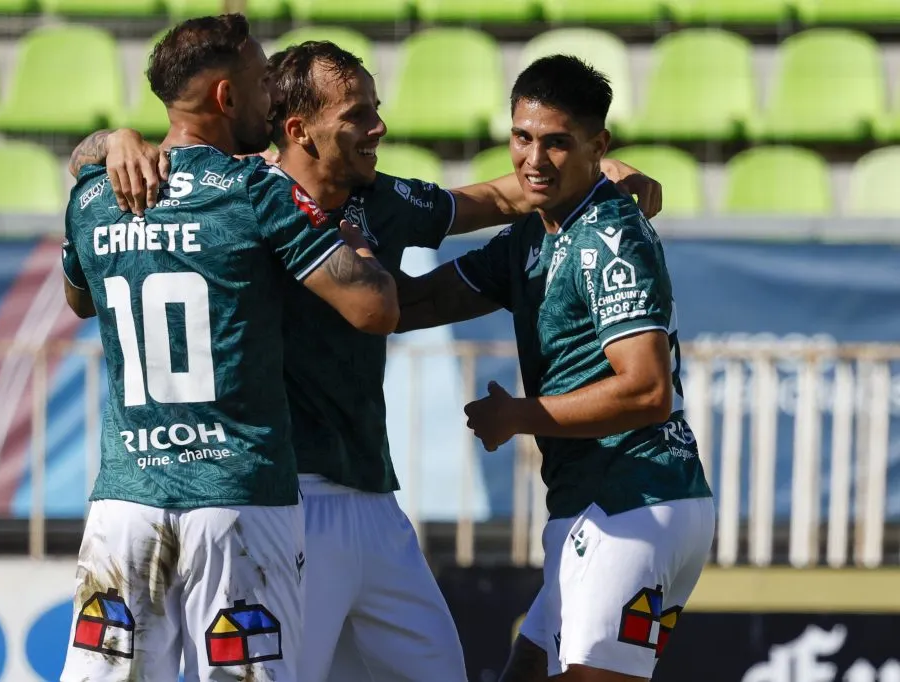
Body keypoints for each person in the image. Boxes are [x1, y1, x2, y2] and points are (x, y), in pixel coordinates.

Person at [67, 41, 664, 682]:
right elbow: (125, 162)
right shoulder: (249, 194)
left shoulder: (379, 198)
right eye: (357, 113)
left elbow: (501, 198)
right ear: (300, 129)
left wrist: (594, 169)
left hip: (374, 500)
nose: (378, 127)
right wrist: (116, 140)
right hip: (287, 500)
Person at [59, 16, 398, 682]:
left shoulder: (95, 196)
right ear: (225, 96)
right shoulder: (257, 191)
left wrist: (110, 143)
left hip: (126, 503)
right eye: (261, 81)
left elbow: (78, 300)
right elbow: (373, 308)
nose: (271, 98)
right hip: (238, 500)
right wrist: (358, 245)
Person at [395, 55, 714, 682]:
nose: (533, 159)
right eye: (522, 137)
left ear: (599, 146)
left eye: (557, 143)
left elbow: (647, 391)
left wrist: (518, 415)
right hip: (595, 505)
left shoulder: (608, 237)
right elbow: (416, 304)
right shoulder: (534, 234)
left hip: (636, 502)